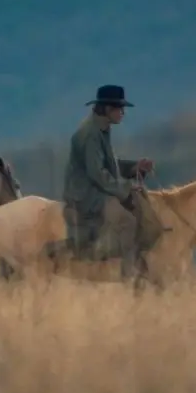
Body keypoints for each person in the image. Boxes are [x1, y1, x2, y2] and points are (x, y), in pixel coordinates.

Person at [59, 84, 155, 277]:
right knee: (127, 221)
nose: (123, 113)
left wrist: (134, 167)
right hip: (87, 194)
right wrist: (126, 187)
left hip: (96, 188)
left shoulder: (101, 129)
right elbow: (97, 174)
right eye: (120, 109)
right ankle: (129, 274)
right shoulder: (90, 134)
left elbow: (108, 164)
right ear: (108, 109)